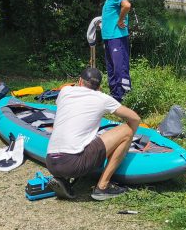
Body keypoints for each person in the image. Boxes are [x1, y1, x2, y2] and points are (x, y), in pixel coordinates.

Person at [45, 67, 140, 201]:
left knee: (76, 135)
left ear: (79, 81)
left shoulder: (65, 91)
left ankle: (63, 178)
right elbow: (135, 118)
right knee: (127, 131)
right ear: (99, 87)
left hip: (50, 162)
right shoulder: (102, 98)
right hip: (73, 163)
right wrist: (126, 143)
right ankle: (103, 187)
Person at [98, 0, 132, 102]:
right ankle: (114, 96)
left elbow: (126, 5)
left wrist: (120, 20)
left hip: (117, 37)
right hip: (109, 38)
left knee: (120, 67)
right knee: (111, 68)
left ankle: (124, 96)